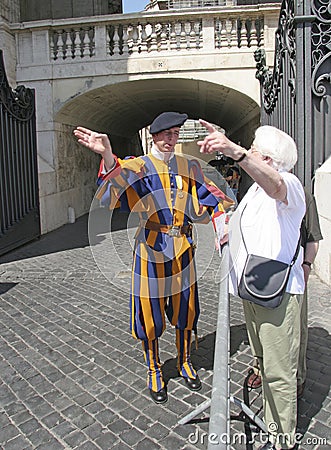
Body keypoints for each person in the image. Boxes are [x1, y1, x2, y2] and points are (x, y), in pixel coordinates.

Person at [74, 112, 232, 404]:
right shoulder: (138, 166)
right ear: (155, 136)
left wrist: (223, 223)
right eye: (167, 134)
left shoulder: (188, 166)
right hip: (150, 249)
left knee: (186, 310)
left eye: (176, 134)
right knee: (149, 313)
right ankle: (154, 368)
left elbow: (211, 197)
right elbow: (114, 189)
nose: (172, 140)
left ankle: (184, 361)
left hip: (183, 248)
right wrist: (108, 156)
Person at [198, 120, 306, 450]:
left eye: (255, 153)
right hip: (251, 286)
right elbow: (248, 219)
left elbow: (276, 187)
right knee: (264, 357)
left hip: (277, 293)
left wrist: (235, 150)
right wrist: (229, 231)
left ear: (268, 160)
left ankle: (281, 438)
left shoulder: (288, 183)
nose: (249, 159)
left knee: (279, 372)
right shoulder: (255, 190)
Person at [246, 187, 323, 399]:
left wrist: (306, 266)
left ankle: (296, 377)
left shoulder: (301, 194)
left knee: (295, 330)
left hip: (291, 275)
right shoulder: (254, 193)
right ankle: (260, 368)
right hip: (260, 273)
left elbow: (312, 237)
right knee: (258, 327)